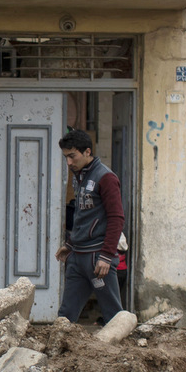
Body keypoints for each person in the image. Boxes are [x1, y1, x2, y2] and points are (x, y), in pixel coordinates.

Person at [54, 129, 126, 325]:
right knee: (65, 315)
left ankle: (122, 354)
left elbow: (116, 218)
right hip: (78, 256)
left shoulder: (105, 177)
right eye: (66, 157)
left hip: (98, 259)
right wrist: (70, 244)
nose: (68, 162)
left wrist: (106, 255)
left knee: (113, 316)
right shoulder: (79, 176)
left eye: (72, 156)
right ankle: (58, 353)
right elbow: (83, 216)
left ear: (87, 152)